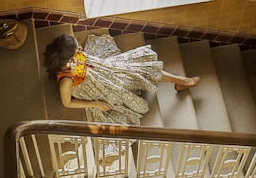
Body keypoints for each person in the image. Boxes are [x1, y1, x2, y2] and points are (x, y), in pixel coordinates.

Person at [43, 33, 200, 125]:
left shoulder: (72, 56)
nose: (79, 49)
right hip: (100, 89)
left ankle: (181, 81)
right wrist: (96, 104)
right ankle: (182, 82)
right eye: (75, 50)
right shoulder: (66, 81)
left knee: (140, 68)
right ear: (67, 58)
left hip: (106, 69)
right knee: (133, 78)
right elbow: (67, 102)